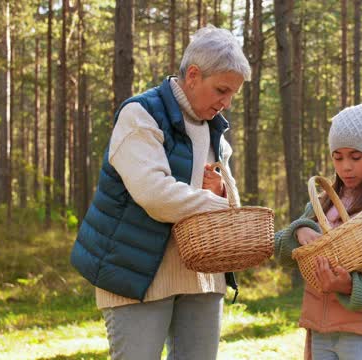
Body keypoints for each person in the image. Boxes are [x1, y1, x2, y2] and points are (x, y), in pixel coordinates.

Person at [70, 25, 250, 360]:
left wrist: (222, 190)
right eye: (221, 90)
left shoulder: (215, 131)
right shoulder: (140, 115)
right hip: (137, 275)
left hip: (204, 277)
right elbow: (155, 194)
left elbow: (231, 209)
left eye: (232, 95)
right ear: (193, 75)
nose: (225, 103)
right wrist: (214, 202)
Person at [274, 104, 362, 360]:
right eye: (337, 157)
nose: (345, 167)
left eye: (356, 157)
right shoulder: (322, 202)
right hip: (321, 332)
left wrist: (350, 286)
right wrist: (301, 230)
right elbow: (281, 250)